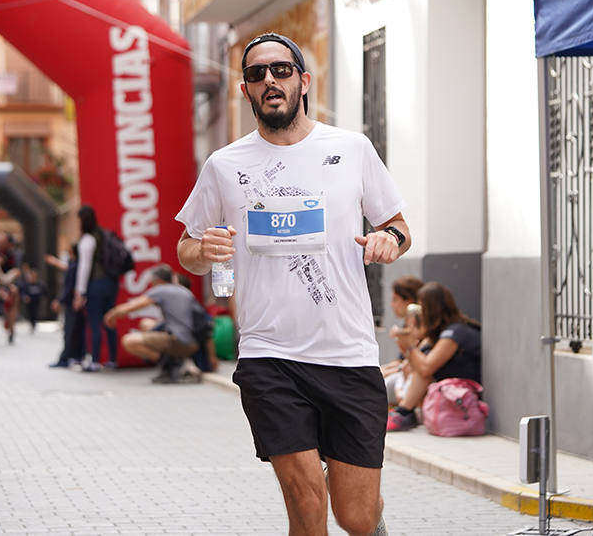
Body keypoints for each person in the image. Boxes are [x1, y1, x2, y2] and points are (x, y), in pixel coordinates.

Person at [176, 32, 410, 536]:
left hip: (347, 353)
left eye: (280, 70)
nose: (270, 81)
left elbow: (397, 226)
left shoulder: (350, 149)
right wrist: (203, 250)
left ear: (303, 81)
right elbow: (186, 249)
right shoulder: (224, 165)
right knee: (306, 500)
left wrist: (388, 240)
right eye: (257, 74)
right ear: (246, 90)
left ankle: (368, 507)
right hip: (269, 355)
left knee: (357, 518)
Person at [386, 282, 482, 432]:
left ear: (432, 309)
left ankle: (404, 412)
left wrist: (409, 347)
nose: (420, 312)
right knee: (412, 367)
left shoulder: (455, 332)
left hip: (464, 389)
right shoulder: (441, 332)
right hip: (446, 387)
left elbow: (426, 368)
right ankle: (405, 411)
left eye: (422, 306)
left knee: (423, 372)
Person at [103, 264, 203, 383]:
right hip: (194, 340)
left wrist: (111, 315)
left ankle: (172, 364)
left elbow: (131, 307)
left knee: (129, 341)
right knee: (146, 323)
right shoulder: (182, 290)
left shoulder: (161, 290)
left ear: (158, 280)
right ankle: (177, 362)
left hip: (179, 341)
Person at [73, 205, 119, 372]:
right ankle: (113, 359)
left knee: (94, 323)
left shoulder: (87, 240)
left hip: (96, 285)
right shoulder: (104, 235)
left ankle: (94, 361)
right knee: (110, 321)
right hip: (112, 283)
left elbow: (84, 267)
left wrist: (80, 292)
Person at [380, 276, 424, 406]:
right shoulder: (406, 327)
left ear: (409, 301)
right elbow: (401, 361)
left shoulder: (420, 327)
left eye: (395, 300)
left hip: (414, 377)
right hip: (406, 372)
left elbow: (413, 362)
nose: (392, 305)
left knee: (384, 385)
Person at [46, 246, 86, 368]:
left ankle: (66, 358)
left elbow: (68, 287)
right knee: (77, 330)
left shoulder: (74, 267)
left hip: (73, 302)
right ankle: (77, 356)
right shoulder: (79, 265)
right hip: (78, 301)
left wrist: (59, 300)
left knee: (69, 331)